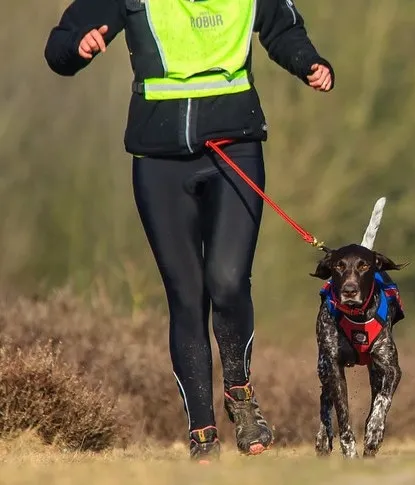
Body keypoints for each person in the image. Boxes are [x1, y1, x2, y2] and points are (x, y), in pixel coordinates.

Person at [44, 0, 334, 462]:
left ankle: (239, 392)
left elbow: (283, 30)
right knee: (187, 294)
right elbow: (60, 45)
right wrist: (76, 49)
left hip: (234, 147)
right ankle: (202, 433)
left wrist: (310, 64)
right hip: (158, 159)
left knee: (228, 279)